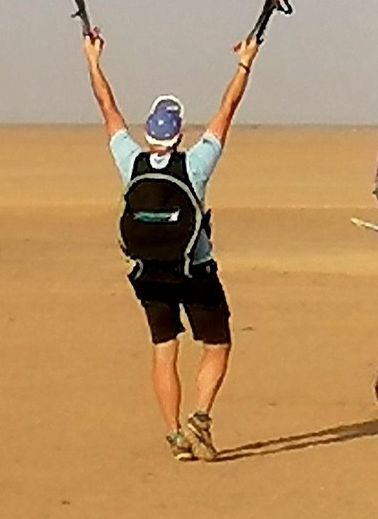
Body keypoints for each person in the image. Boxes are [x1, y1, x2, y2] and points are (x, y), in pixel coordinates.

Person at [85, 29, 260, 462]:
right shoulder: (196, 163)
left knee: (165, 352)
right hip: (195, 272)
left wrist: (93, 60)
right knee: (217, 344)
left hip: (150, 276)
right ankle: (201, 415)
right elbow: (228, 108)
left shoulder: (131, 161)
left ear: (149, 134)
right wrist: (244, 63)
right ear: (180, 134)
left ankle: (174, 435)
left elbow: (107, 107)